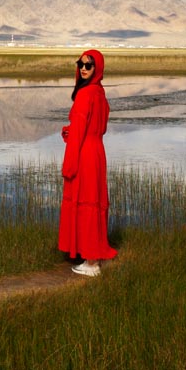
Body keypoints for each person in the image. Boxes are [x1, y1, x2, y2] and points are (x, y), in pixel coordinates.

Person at [59, 49, 118, 276]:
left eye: (89, 65)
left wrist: (69, 166)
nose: (83, 68)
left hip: (84, 153)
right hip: (97, 152)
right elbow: (99, 128)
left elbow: (79, 135)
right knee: (93, 201)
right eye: (81, 64)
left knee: (85, 202)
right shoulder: (100, 93)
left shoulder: (85, 95)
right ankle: (91, 257)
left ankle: (92, 263)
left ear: (97, 68)